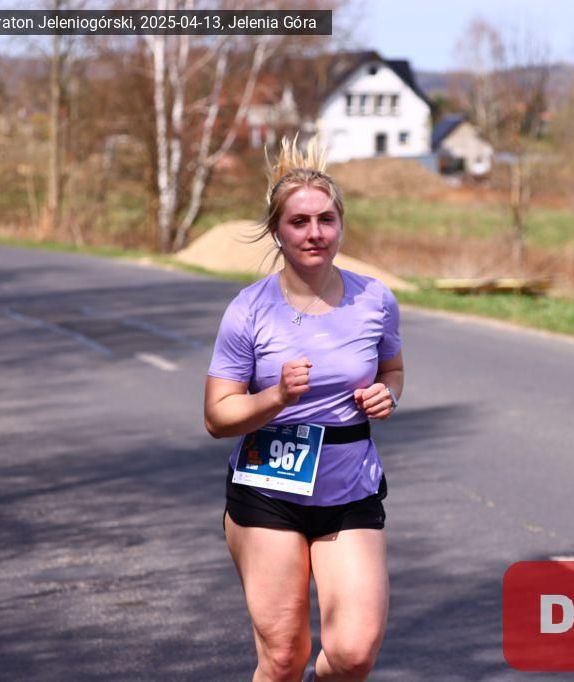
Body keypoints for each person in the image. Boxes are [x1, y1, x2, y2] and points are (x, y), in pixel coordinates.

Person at [204, 139, 404, 682]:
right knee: (284, 657)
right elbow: (217, 416)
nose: (315, 233)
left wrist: (387, 394)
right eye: (299, 222)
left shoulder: (375, 300)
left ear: (341, 226)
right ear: (277, 231)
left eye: (325, 220)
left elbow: (392, 370)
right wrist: (276, 397)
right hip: (267, 492)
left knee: (353, 654)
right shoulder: (249, 309)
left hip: (349, 490)